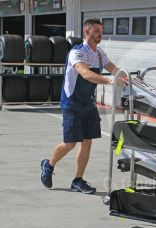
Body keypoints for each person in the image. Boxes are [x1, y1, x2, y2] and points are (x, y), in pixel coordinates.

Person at [40, 18, 127, 194]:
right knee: (70, 143)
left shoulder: (100, 53)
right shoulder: (77, 52)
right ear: (87, 32)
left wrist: (127, 79)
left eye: (101, 31)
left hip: (88, 103)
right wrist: (110, 81)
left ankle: (77, 180)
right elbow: (85, 74)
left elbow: (115, 69)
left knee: (87, 142)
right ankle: (48, 165)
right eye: (96, 31)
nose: (100, 34)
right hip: (72, 103)